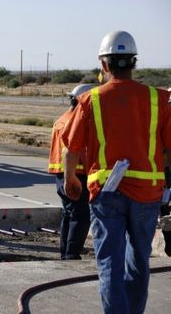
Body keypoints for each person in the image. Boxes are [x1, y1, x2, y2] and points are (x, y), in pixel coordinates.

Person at [62, 31, 171, 313]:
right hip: (147, 194)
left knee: (110, 262)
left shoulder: (90, 100)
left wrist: (70, 178)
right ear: (133, 62)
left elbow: (71, 147)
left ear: (104, 65)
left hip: (107, 193)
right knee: (138, 260)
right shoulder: (158, 99)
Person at [48, 84, 93, 260]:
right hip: (77, 175)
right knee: (81, 216)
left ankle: (66, 253)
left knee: (68, 214)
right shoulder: (77, 123)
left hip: (62, 175)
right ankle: (72, 255)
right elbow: (80, 152)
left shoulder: (61, 119)